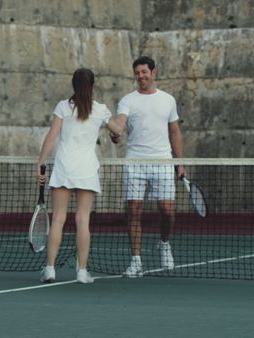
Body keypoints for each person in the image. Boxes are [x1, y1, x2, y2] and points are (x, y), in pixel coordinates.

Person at [37, 68, 123, 284]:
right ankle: (82, 272)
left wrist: (40, 163)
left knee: (57, 219)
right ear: (92, 87)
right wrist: (114, 134)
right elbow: (118, 131)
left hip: (64, 168)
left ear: (73, 86)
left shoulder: (63, 107)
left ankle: (50, 269)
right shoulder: (101, 110)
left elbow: (51, 137)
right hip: (86, 170)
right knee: (82, 220)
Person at [110, 56, 185, 278]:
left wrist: (179, 163)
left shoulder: (168, 100)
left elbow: (174, 132)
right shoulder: (127, 100)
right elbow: (120, 122)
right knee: (133, 210)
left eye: (144, 72)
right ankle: (136, 260)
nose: (141, 76)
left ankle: (164, 243)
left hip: (162, 161)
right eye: (137, 73)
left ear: (154, 72)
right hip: (135, 162)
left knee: (167, 211)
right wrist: (116, 133)